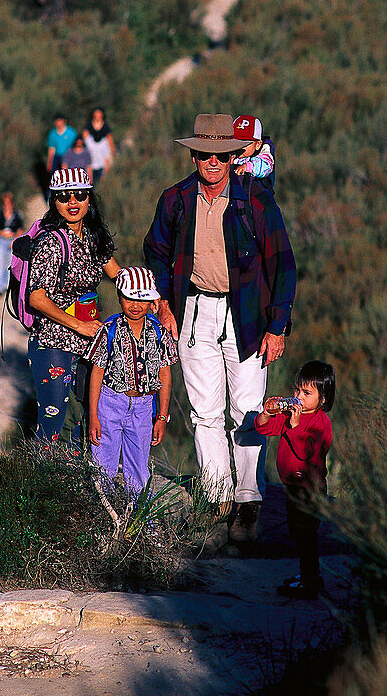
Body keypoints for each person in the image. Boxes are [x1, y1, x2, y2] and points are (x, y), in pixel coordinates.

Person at [143, 113, 297, 547]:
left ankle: (248, 503)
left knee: (248, 411)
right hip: (193, 310)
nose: (213, 161)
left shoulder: (255, 201)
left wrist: (278, 325)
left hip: (247, 312)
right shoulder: (175, 200)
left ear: (232, 155)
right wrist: (162, 303)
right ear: (194, 155)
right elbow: (155, 249)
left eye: (221, 154)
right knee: (204, 412)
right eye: (205, 153)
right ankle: (217, 499)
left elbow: (283, 263)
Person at [27, 167, 120, 443]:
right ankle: (43, 484)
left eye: (79, 195)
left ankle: (76, 483)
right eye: (64, 197)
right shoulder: (51, 243)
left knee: (84, 421)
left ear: (89, 198)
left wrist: (147, 295)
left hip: (88, 343)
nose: (72, 203)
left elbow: (116, 273)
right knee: (52, 426)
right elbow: (37, 297)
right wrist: (79, 325)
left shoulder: (93, 237)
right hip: (54, 344)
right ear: (53, 202)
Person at [86, 266, 178, 495]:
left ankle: (139, 520)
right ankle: (102, 516)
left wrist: (162, 417)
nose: (135, 305)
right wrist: (93, 415)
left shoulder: (159, 333)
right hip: (110, 402)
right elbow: (96, 372)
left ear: (151, 302)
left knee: (138, 466)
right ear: (119, 297)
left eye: (142, 299)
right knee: (103, 464)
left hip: (144, 406)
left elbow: (165, 375)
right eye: (129, 298)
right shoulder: (109, 330)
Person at [256, 360, 335, 599]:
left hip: (310, 489)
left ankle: (311, 581)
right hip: (292, 485)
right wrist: (267, 413)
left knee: (307, 534)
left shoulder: (321, 423)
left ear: (322, 399)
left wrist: (296, 426)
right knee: (297, 532)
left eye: (307, 393)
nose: (299, 396)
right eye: (297, 390)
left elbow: (306, 452)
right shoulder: (291, 414)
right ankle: (307, 574)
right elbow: (264, 429)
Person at [0, 191, 24, 295]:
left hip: (11, 240)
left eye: (8, 203)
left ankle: (7, 287)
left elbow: (20, 230)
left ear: (12, 203)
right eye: (4, 203)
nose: (6, 205)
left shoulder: (17, 214)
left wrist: (16, 241)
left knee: (9, 265)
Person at [232, 115, 275, 189]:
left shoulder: (264, 150)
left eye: (245, 143)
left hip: (255, 193)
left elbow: (266, 166)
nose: (240, 146)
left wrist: (247, 167)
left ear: (258, 144)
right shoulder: (232, 153)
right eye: (236, 141)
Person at [44, 113, 77, 201]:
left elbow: (75, 147)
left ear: (64, 121)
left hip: (69, 157)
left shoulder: (71, 133)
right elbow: (51, 148)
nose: (58, 123)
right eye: (57, 121)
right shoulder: (53, 134)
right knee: (54, 177)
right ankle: (51, 197)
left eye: (60, 121)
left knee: (68, 177)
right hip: (57, 156)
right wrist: (49, 162)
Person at [82, 107, 115, 188]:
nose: (97, 116)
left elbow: (110, 140)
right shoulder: (89, 125)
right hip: (92, 151)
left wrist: (112, 152)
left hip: (103, 151)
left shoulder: (105, 126)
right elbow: (85, 137)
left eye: (99, 114)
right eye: (96, 114)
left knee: (104, 172)